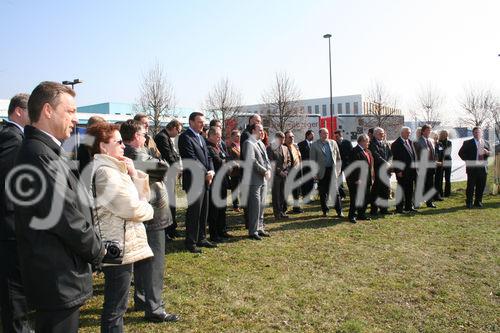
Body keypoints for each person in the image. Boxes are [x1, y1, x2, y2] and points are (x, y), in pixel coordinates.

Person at [13, 82, 105, 332]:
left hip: (59, 273)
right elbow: (67, 218)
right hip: (56, 276)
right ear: (47, 110)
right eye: (71, 111)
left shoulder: (46, 151)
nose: (76, 119)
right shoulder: (39, 155)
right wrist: (99, 251)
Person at [86, 122, 158, 332]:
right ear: (102, 146)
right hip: (117, 245)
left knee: (118, 304)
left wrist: (134, 174)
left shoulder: (114, 168)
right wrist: (149, 210)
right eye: (118, 142)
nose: (123, 146)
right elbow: (132, 208)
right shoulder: (106, 173)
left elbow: (138, 196)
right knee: (115, 307)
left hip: (122, 241)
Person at [119, 120, 178, 323]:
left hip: (142, 213)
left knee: (143, 260)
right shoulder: (138, 155)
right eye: (144, 133)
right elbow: (165, 168)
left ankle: (143, 299)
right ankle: (155, 308)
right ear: (136, 136)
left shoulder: (125, 153)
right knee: (154, 263)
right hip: (153, 215)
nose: (146, 137)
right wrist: (155, 155)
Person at [0, 93, 32, 333]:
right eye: (30, 110)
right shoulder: (12, 139)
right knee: (13, 289)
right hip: (9, 225)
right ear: (19, 111)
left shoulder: (13, 135)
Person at [178, 112, 216, 253]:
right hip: (194, 181)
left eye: (203, 122)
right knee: (194, 212)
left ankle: (202, 238)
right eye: (200, 122)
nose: (203, 124)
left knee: (203, 211)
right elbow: (191, 159)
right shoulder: (185, 137)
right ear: (191, 122)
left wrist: (211, 171)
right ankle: (191, 241)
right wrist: (206, 173)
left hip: (205, 180)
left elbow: (208, 157)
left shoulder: (201, 137)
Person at [242, 123, 272, 240]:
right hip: (253, 179)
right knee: (255, 206)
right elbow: (252, 161)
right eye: (259, 130)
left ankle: (260, 228)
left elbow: (266, 159)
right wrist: (265, 171)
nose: (262, 132)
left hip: (263, 178)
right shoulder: (248, 143)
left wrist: (268, 169)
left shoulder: (260, 143)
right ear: (253, 130)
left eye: (262, 130)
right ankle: (253, 231)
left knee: (261, 205)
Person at [154, 119, 183, 240]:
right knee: (168, 203)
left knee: (172, 202)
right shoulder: (161, 137)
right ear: (174, 127)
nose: (178, 134)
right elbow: (168, 154)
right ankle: (168, 230)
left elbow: (174, 154)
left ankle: (172, 228)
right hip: (166, 174)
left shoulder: (166, 137)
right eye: (178, 131)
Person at [310, 128, 343, 218]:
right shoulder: (315, 145)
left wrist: (338, 170)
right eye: (324, 133)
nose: (326, 135)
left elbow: (338, 158)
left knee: (335, 192)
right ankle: (325, 210)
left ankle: (339, 211)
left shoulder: (333, 143)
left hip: (332, 171)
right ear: (320, 134)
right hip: (321, 172)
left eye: (327, 133)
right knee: (323, 192)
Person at [206, 126, 231, 242]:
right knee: (214, 210)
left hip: (223, 182)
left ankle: (222, 230)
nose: (219, 139)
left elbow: (228, 159)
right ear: (210, 135)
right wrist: (225, 161)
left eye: (220, 136)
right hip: (215, 183)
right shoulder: (208, 147)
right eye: (217, 136)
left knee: (222, 208)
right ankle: (214, 234)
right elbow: (219, 162)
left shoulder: (219, 146)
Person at [458, 126, 491, 208]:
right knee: (470, 186)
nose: (477, 134)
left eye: (479, 132)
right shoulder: (467, 142)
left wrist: (487, 153)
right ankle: (469, 202)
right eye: (475, 132)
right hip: (472, 168)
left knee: (481, 186)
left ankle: (478, 201)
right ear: (473, 133)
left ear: (482, 133)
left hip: (483, 168)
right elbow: (461, 153)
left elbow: (491, 153)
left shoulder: (486, 143)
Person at [346, 134, 373, 223]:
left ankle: (361, 214)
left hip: (366, 179)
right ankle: (352, 216)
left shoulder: (367, 151)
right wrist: (356, 179)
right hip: (357, 180)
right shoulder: (354, 151)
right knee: (355, 199)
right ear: (362, 141)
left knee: (365, 198)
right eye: (367, 141)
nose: (368, 143)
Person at [391, 127, 418, 213]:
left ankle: (408, 206)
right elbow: (395, 159)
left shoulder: (410, 142)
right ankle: (399, 208)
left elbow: (413, 156)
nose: (409, 134)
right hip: (402, 171)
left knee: (409, 189)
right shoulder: (396, 143)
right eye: (407, 132)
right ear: (402, 133)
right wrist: (398, 171)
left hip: (411, 171)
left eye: (409, 133)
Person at [368, 127, 393, 215]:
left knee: (385, 190)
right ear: (375, 134)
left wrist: (389, 162)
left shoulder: (385, 143)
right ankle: (374, 210)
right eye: (380, 133)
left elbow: (390, 155)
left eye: (383, 133)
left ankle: (384, 209)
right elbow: (376, 155)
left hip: (386, 171)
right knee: (376, 190)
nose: (382, 135)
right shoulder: (372, 144)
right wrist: (385, 163)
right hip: (377, 170)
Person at [267, 132, 291, 220]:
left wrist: (286, 170)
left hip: (284, 175)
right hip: (275, 176)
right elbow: (270, 162)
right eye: (281, 138)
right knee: (276, 195)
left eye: (284, 138)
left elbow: (289, 160)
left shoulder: (285, 148)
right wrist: (279, 171)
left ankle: (282, 212)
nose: (283, 140)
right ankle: (277, 213)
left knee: (283, 194)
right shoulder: (270, 148)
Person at [415, 124, 440, 208]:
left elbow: (434, 153)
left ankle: (429, 202)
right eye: (428, 130)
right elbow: (416, 156)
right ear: (423, 131)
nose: (429, 132)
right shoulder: (418, 141)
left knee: (430, 185)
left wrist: (435, 161)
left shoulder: (431, 141)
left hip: (431, 167)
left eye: (430, 130)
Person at [284, 130, 304, 214]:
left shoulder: (295, 146)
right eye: (289, 137)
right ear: (285, 138)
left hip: (296, 172)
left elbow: (299, 158)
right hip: (287, 173)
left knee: (296, 192)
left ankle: (296, 208)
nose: (292, 138)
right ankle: (283, 210)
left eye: (292, 136)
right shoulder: (283, 147)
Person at [333, 129, 353, 199]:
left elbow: (352, 153)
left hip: (347, 164)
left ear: (341, 135)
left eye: (337, 136)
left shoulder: (347, 142)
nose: (336, 138)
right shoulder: (334, 143)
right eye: (335, 136)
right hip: (338, 165)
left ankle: (352, 194)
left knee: (349, 180)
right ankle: (342, 195)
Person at [297, 130, 315, 201]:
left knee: (311, 182)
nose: (313, 136)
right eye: (311, 135)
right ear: (307, 135)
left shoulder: (314, 144)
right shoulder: (301, 144)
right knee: (305, 182)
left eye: (313, 135)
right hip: (304, 167)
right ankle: (305, 196)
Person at [228, 129, 242, 212]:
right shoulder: (230, 147)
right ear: (232, 137)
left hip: (242, 171)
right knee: (235, 188)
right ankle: (235, 205)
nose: (239, 137)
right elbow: (230, 159)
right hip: (235, 171)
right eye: (237, 136)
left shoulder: (241, 145)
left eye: (239, 136)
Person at [436, 130, 452, 198]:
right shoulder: (438, 142)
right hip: (440, 162)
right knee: (440, 178)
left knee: (447, 178)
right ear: (440, 134)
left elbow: (448, 152)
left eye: (445, 134)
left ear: (447, 135)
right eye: (442, 134)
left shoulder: (449, 142)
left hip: (448, 161)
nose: (444, 135)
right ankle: (440, 193)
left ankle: (447, 193)